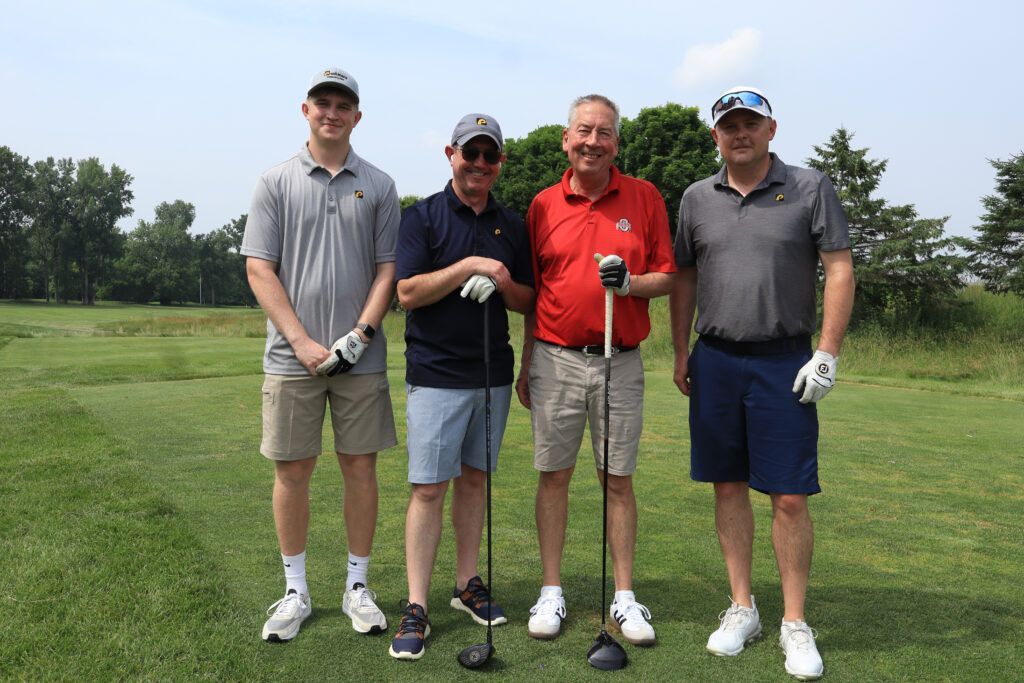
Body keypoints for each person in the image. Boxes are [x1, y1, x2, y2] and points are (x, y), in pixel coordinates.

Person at [669, 86, 855, 681]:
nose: (740, 133)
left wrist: (827, 352)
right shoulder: (697, 198)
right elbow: (685, 277)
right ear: (716, 136)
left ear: (771, 129)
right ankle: (742, 607)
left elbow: (839, 267)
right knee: (727, 487)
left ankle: (794, 622)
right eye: (729, 126)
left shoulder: (809, 187)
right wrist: (681, 350)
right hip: (716, 358)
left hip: (784, 360)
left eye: (750, 123)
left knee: (790, 495)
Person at [242, 67, 400, 643]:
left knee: (360, 467)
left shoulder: (378, 184)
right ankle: (296, 590)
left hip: (361, 357)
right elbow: (260, 268)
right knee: (293, 470)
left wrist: (361, 333)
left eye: (343, 104)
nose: (332, 112)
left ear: (357, 116)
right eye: (322, 102)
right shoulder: (275, 182)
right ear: (305, 110)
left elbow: (388, 269)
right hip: (292, 359)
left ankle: (357, 585)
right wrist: (303, 343)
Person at [516, 94, 675, 646]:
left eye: (604, 133)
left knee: (618, 480)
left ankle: (625, 596)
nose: (593, 141)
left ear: (616, 144)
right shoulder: (542, 205)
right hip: (555, 358)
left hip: (619, 362)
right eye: (584, 131)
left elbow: (667, 276)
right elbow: (535, 293)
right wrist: (526, 362)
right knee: (553, 475)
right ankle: (551, 590)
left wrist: (630, 282)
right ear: (566, 139)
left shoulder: (644, 197)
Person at [389, 114, 534, 660]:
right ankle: (416, 605)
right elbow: (407, 292)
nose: (479, 164)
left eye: (489, 155)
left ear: (499, 162)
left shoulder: (511, 224)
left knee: (475, 481)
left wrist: (501, 278)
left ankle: (467, 583)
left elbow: (527, 300)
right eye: (470, 153)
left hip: (492, 374)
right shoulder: (422, 217)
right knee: (429, 488)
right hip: (436, 375)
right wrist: (469, 265)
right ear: (451, 154)